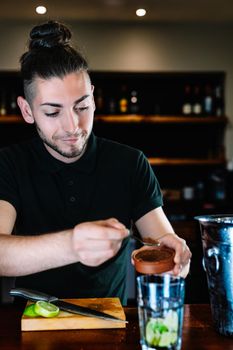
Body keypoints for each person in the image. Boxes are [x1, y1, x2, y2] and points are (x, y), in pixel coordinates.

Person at [0, 21, 191, 305]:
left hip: (110, 322)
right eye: (53, 112)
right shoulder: (9, 163)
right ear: (27, 111)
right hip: (34, 320)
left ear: (93, 97)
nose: (72, 126)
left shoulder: (129, 163)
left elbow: (160, 239)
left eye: (82, 107)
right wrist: (72, 244)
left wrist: (174, 253)